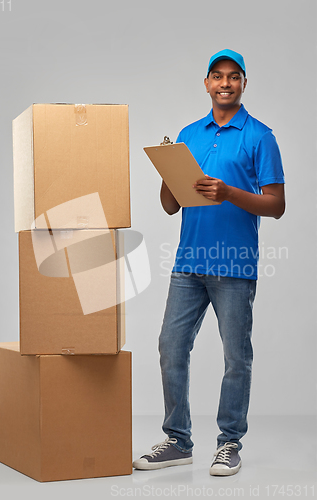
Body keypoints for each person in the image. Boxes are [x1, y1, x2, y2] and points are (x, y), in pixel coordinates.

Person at [133, 49, 285, 476]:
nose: (224, 83)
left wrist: (229, 193)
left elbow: (277, 205)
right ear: (206, 83)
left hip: (234, 265)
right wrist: (167, 169)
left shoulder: (260, 136)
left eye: (233, 77)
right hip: (188, 264)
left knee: (236, 358)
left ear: (243, 84)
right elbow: (169, 205)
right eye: (216, 76)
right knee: (170, 347)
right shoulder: (189, 133)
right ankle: (178, 441)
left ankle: (229, 442)